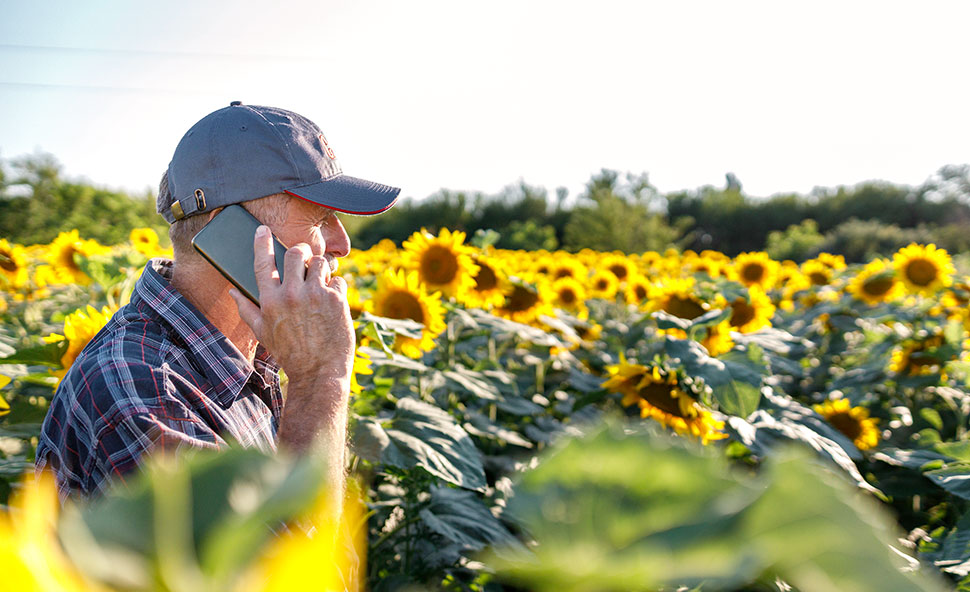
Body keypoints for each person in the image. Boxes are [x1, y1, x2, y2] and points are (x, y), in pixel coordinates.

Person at [35, 102, 400, 497]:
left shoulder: (254, 350)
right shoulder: (141, 392)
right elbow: (287, 558)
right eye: (319, 218)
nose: (342, 244)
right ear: (229, 229)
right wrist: (319, 378)